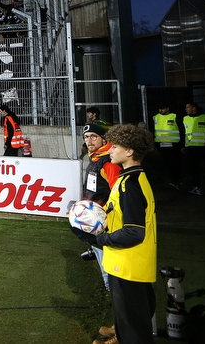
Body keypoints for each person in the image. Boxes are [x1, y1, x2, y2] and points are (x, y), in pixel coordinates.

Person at [71, 123, 157, 344]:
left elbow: (133, 233)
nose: (109, 149)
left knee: (134, 326)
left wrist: (98, 239)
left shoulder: (132, 185)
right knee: (131, 317)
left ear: (129, 151)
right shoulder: (130, 178)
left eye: (115, 145)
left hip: (129, 264)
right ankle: (120, 334)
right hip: (126, 261)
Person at [79, 123, 121, 291]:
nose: (89, 141)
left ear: (104, 139)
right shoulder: (95, 158)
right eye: (86, 137)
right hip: (95, 220)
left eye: (93, 136)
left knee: (108, 269)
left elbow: (118, 193)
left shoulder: (108, 163)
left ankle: (113, 296)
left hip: (105, 222)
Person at [182, 102, 205, 195]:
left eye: (188, 107)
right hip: (192, 148)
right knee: (194, 169)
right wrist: (183, 146)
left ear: (194, 108)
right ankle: (197, 188)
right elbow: (183, 134)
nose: (186, 109)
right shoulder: (185, 119)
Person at [151, 103, 182, 189]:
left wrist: (181, 144)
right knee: (167, 164)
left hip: (174, 145)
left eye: (163, 108)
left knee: (175, 163)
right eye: (160, 109)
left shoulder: (174, 116)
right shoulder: (155, 117)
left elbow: (181, 129)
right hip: (161, 145)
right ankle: (175, 180)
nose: (161, 110)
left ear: (168, 109)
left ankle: (177, 180)